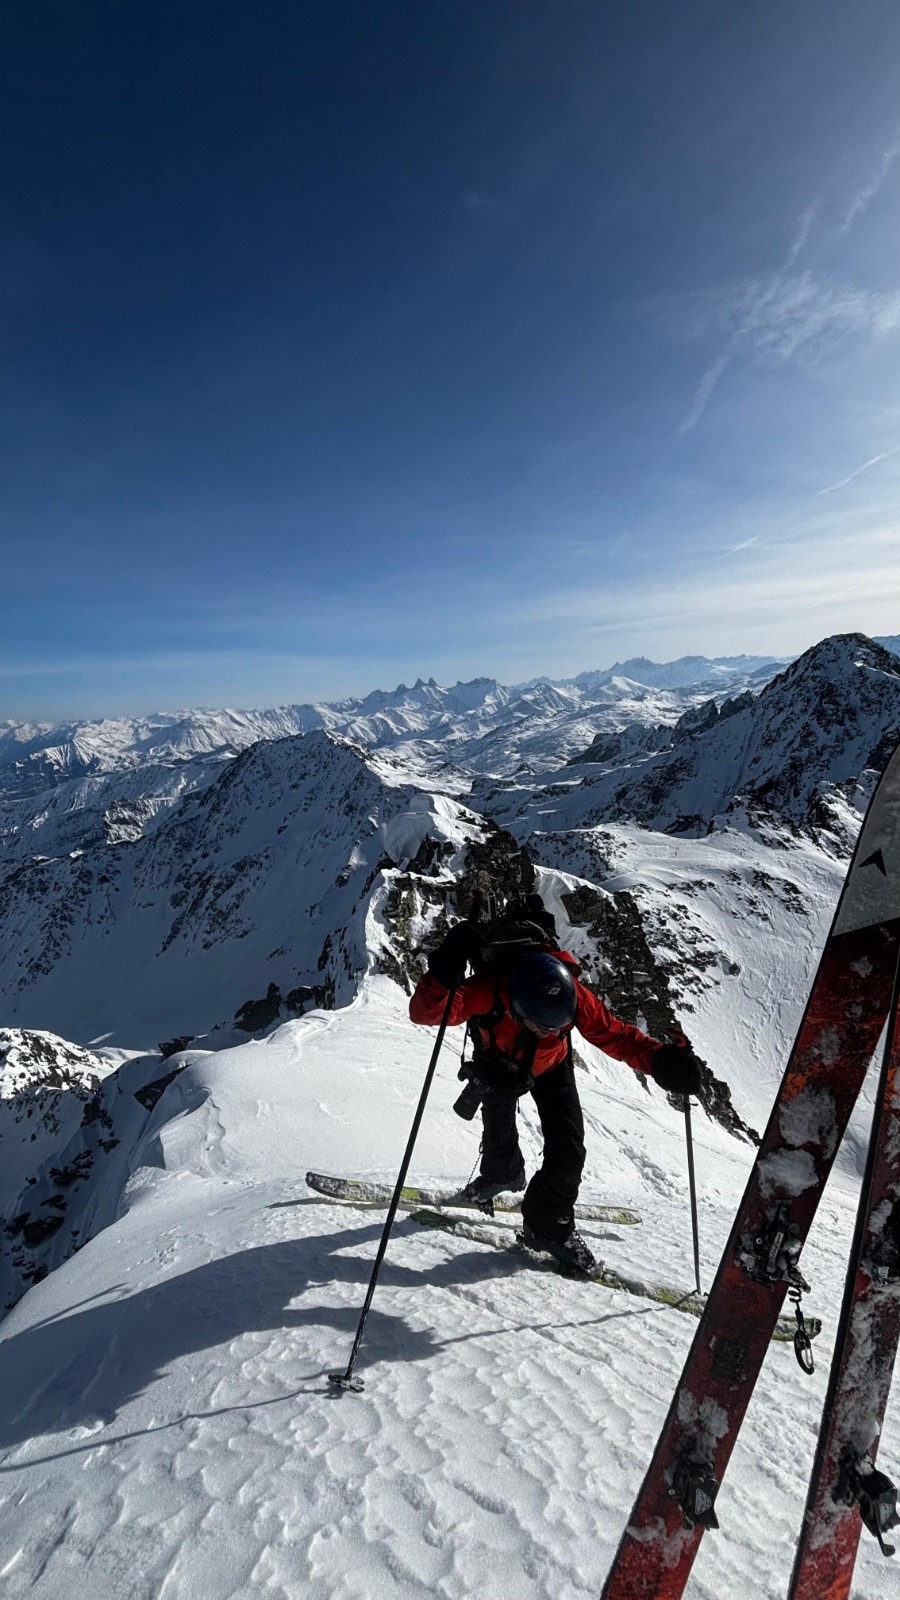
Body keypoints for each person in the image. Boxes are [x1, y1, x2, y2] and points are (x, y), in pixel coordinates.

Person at [409, 907, 702, 1274]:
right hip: (499, 1062)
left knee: (569, 1148)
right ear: (516, 1004)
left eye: (556, 1027)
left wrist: (660, 1061)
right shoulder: (491, 988)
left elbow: (613, 1034)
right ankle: (502, 1174)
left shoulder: (573, 993)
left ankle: (545, 1225)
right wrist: (444, 967)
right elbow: (425, 1012)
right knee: (499, 1134)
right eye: (537, 1025)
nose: (547, 1031)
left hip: (552, 1067)